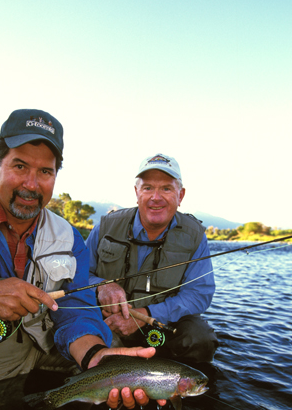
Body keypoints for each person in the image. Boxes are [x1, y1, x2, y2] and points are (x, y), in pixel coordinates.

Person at [0, 109, 155, 410]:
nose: (32, 184)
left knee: (114, 360)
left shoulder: (70, 237)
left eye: (45, 172)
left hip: (40, 351)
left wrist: (93, 355)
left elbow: (76, 309)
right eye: (20, 166)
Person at [86, 153, 218, 367]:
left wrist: (145, 315)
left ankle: (182, 392)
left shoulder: (195, 235)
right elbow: (77, 276)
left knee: (200, 339)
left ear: (180, 195)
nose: (156, 197)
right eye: (148, 188)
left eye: (166, 188)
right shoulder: (106, 226)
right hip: (106, 322)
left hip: (158, 325)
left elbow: (199, 295)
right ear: (136, 192)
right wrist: (101, 287)